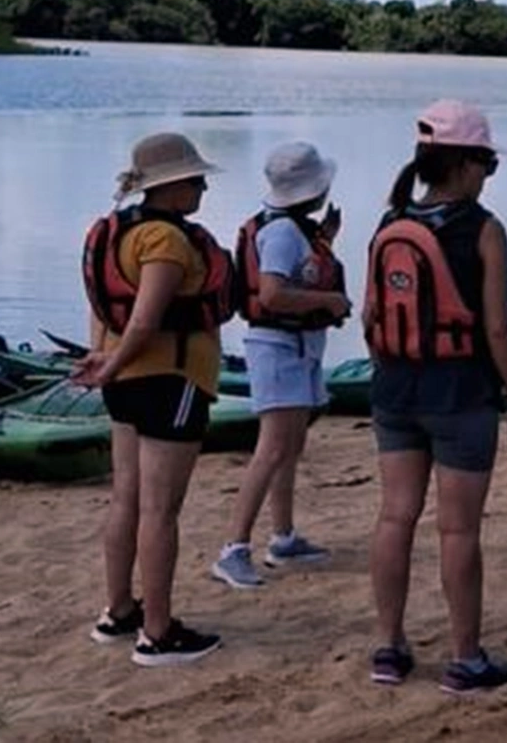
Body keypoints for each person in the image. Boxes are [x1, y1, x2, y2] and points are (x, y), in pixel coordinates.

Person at [365, 99, 507, 692]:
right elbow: (498, 327)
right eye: (487, 162)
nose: (489, 174)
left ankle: (388, 648)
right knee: (458, 531)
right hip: (460, 394)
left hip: (394, 389)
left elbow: (369, 316)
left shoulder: (390, 224)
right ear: (465, 164)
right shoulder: (485, 230)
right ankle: (465, 658)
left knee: (395, 516)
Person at [74, 131, 233, 666]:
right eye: (195, 180)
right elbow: (144, 322)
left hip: (125, 382)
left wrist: (103, 360)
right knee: (161, 510)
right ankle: (158, 633)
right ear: (171, 187)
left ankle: (119, 611)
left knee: (128, 498)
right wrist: (111, 366)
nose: (204, 188)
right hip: (170, 381)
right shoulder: (165, 241)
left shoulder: (115, 231)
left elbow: (105, 310)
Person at [211, 141, 351, 589]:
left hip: (295, 344)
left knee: (289, 447)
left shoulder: (291, 229)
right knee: (272, 448)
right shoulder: (283, 233)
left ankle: (283, 536)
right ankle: (233, 548)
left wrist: (325, 241)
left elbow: (297, 273)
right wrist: (330, 300)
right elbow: (271, 294)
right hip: (278, 347)